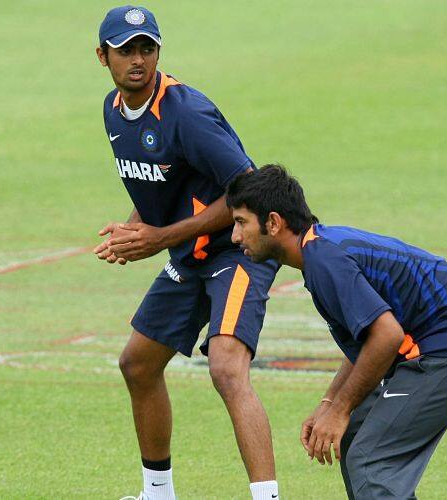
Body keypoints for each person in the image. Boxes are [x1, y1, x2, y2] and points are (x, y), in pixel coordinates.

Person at [226, 164, 447, 499]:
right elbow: (368, 341)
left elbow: (387, 335)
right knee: (356, 434)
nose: (235, 236)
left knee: (371, 459)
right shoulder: (320, 252)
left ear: (273, 223)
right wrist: (330, 403)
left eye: (241, 222)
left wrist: (339, 410)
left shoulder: (325, 261)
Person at [93, 6, 281, 500]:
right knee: (138, 364)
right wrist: (134, 229)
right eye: (125, 50)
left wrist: (160, 238)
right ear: (102, 57)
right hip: (189, 255)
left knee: (226, 368)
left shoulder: (186, 113)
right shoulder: (113, 110)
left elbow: (246, 188)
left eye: (147, 49)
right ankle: (158, 494)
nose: (138, 59)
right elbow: (157, 182)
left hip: (238, 250)